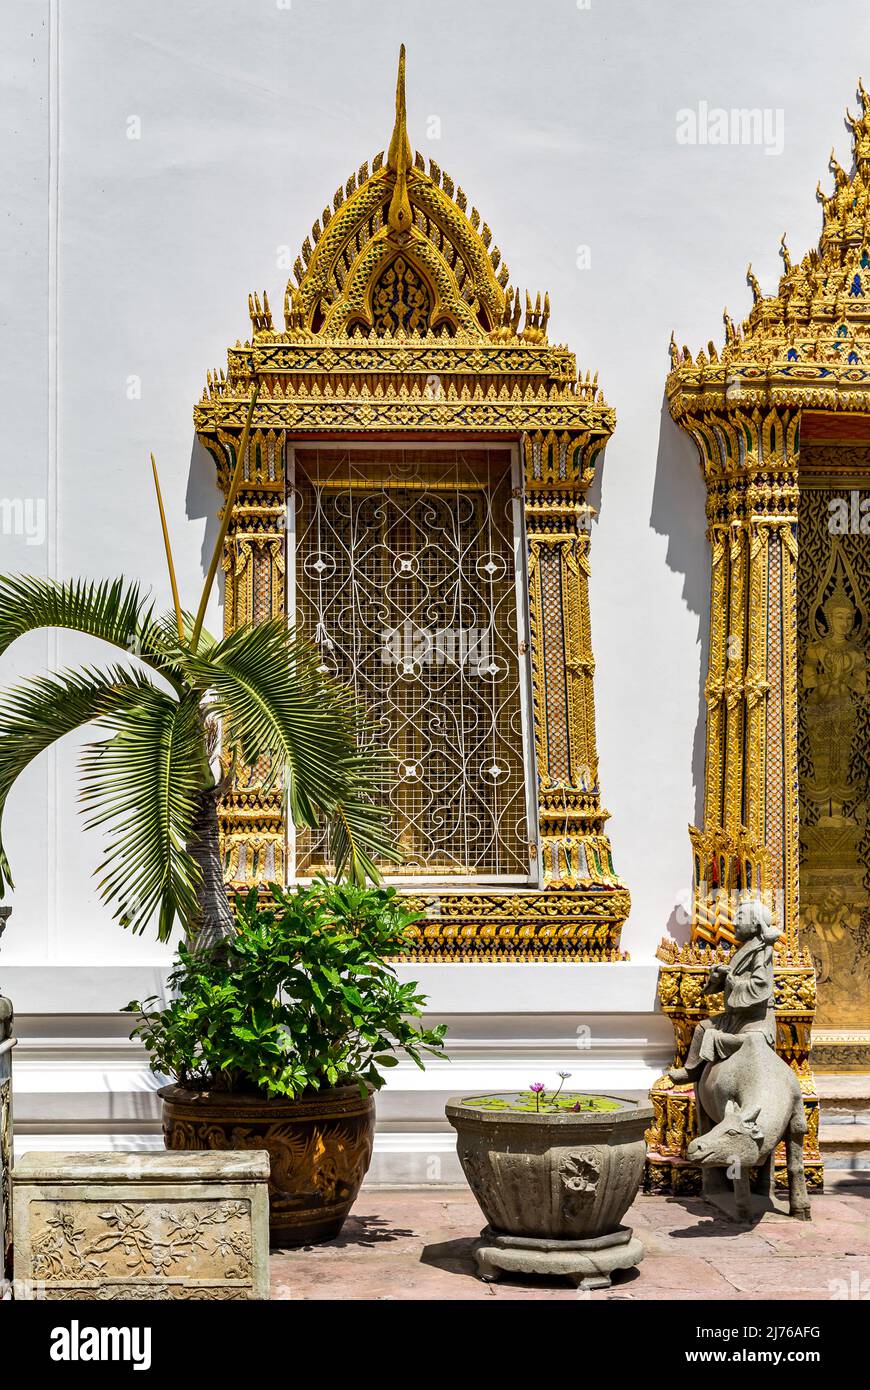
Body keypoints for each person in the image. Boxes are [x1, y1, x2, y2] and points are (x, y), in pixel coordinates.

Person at [669, 897, 780, 1084]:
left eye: (740, 917)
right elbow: (733, 979)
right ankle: (691, 1071)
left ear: (755, 924)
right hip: (735, 1017)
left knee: (746, 1040)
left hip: (754, 1020)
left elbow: (760, 986)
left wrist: (733, 981)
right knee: (703, 1027)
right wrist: (717, 978)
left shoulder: (762, 951)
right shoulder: (746, 948)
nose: (734, 922)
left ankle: (716, 1045)